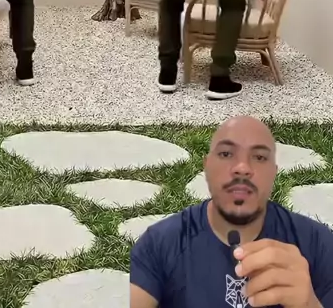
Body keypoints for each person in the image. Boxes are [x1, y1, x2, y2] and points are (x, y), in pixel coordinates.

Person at [131, 116, 333, 308]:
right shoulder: (159, 244)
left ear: (274, 173)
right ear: (206, 167)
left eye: (259, 157)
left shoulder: (318, 244)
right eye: (226, 154)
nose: (242, 167)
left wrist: (309, 304)